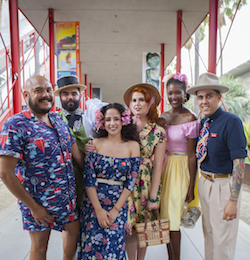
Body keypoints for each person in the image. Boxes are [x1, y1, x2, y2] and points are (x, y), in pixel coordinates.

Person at [0, 75, 84, 260]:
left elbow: (76, 154)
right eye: (38, 90)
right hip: (38, 203)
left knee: (73, 236)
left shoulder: (58, 119)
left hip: (67, 199)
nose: (45, 95)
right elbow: (5, 173)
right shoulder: (15, 125)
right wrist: (33, 207)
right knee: (39, 249)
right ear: (26, 95)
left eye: (48, 90)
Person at [186, 72, 247, 260]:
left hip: (223, 187)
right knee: (209, 236)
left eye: (209, 96)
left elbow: (239, 162)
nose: (204, 101)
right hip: (205, 183)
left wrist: (233, 200)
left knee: (223, 241)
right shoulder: (204, 122)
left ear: (219, 97)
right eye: (200, 97)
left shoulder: (231, 122)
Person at [77, 103, 141, 260]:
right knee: (91, 247)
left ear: (124, 121)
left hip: (118, 205)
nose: (112, 123)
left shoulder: (133, 146)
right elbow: (89, 179)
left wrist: (116, 210)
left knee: (114, 248)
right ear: (102, 123)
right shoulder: (95, 144)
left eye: (116, 119)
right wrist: (98, 210)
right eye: (108, 119)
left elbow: (131, 181)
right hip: (93, 204)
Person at [123, 83, 167, 260]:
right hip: (125, 181)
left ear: (151, 103)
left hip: (146, 183)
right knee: (128, 227)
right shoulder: (124, 126)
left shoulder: (159, 131)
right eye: (134, 100)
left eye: (142, 100)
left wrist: (154, 196)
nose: (137, 104)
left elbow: (158, 166)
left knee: (144, 227)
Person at [159, 73, 200, 260]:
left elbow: (192, 156)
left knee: (174, 220)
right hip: (164, 168)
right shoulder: (163, 117)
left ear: (185, 94)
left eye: (178, 92)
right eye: (170, 93)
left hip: (181, 170)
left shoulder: (191, 118)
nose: (173, 96)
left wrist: (191, 187)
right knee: (165, 220)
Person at [54, 75, 90, 211]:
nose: (70, 97)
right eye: (65, 94)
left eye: (74, 93)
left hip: (88, 176)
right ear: (60, 97)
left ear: (80, 95)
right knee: (69, 224)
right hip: (64, 179)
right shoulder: (54, 120)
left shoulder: (91, 118)